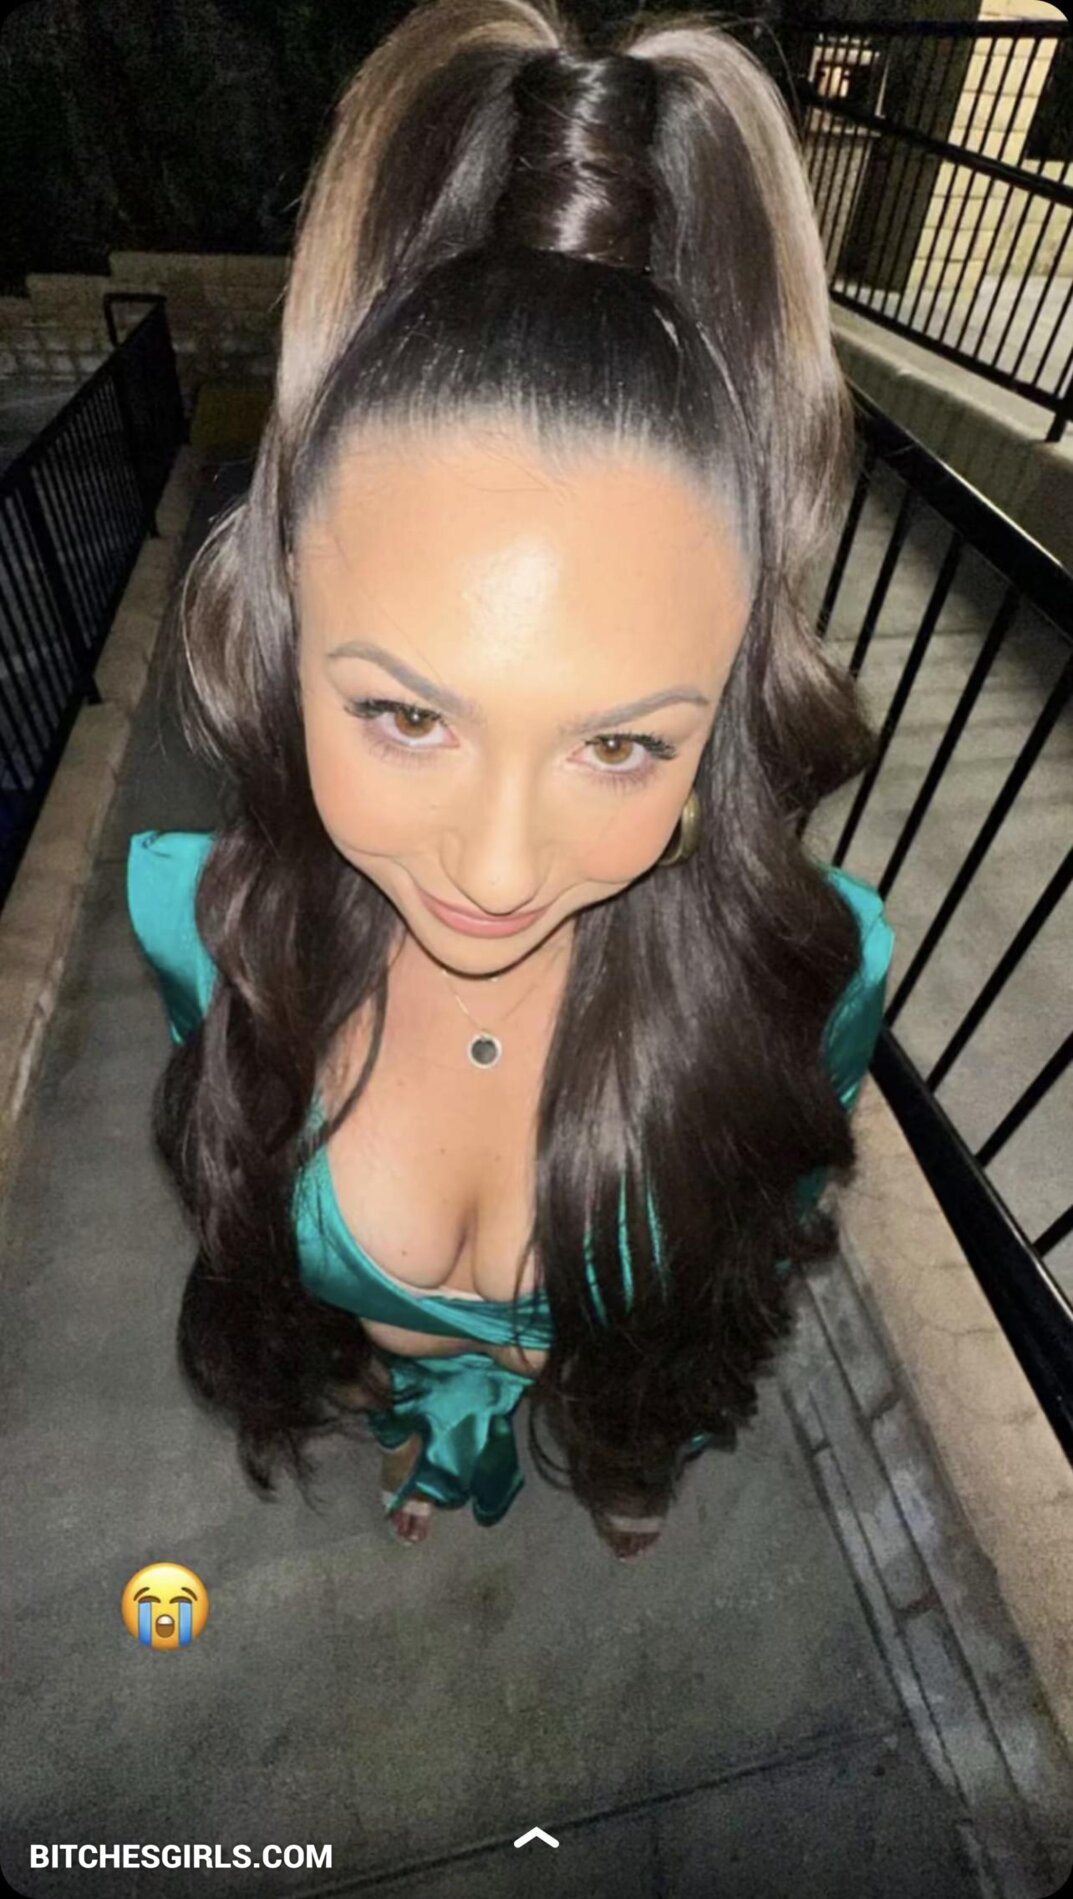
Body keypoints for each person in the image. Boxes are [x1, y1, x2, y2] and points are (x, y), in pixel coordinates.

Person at [127, 0, 895, 1561]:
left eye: (619, 744)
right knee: (433, 1423)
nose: (493, 870)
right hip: (400, 1385)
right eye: (407, 716)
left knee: (624, 1451)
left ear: (723, 715)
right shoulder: (201, 932)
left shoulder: (806, 971)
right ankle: (443, 1441)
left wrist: (640, 1426)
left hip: (621, 1394)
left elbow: (753, 1252)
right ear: (281, 632)